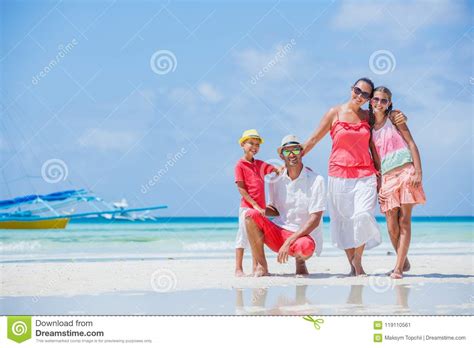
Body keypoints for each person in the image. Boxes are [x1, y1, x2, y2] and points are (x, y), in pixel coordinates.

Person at [302, 77, 407, 276]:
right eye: (358, 90)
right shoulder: (335, 113)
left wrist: (399, 115)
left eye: (365, 94)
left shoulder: (368, 116)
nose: (360, 96)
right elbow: (313, 139)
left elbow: (386, 115)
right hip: (338, 174)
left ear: (369, 98)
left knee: (362, 216)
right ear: (352, 89)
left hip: (365, 174)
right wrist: (293, 161)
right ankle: (353, 266)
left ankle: (358, 261)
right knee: (343, 221)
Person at [245, 135, 326, 277]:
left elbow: (315, 219)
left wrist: (290, 240)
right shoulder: (275, 180)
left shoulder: (316, 180)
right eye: (287, 151)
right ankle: (262, 267)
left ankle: (300, 263)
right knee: (250, 215)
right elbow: (275, 211)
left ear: (301, 152)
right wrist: (259, 208)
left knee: (304, 247)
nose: (292, 154)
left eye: (295, 150)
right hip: (280, 234)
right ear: (282, 156)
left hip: (303, 237)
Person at [369, 86, 426, 279]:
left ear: (389, 103)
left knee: (404, 221)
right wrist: (379, 184)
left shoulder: (394, 119)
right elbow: (376, 160)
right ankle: (404, 260)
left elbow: (411, 143)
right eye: (376, 99)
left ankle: (398, 268)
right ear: (371, 101)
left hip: (406, 172)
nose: (379, 103)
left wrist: (418, 172)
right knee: (391, 225)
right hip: (387, 178)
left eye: (384, 100)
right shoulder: (370, 129)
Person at [234, 129, 279, 276]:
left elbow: (275, 169)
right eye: (251, 143)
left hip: (260, 210)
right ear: (242, 145)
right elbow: (242, 190)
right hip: (247, 208)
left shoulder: (260, 164)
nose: (254, 146)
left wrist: (281, 170)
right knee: (242, 237)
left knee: (257, 238)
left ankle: (256, 267)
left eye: (257, 144)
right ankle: (238, 268)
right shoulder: (239, 165)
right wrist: (255, 206)